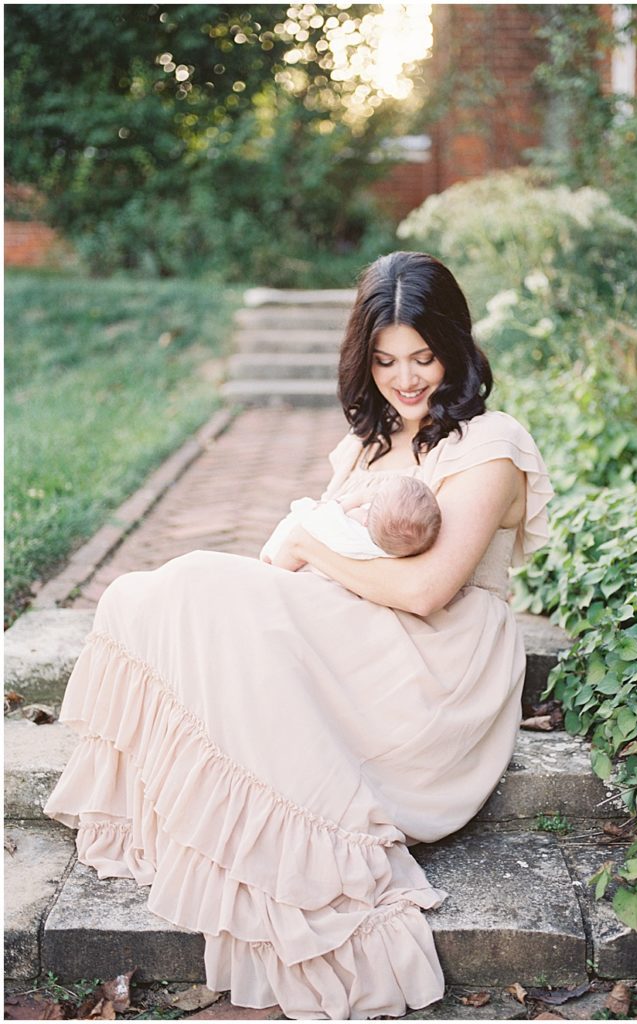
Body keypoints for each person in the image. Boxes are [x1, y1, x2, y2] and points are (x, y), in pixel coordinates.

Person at [44, 251, 555, 1020]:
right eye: (384, 360)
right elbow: (301, 552)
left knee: (196, 581)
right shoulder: (369, 445)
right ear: (363, 357)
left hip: (432, 662)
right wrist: (300, 556)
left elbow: (423, 590)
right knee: (142, 597)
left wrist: (308, 547)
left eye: (423, 356)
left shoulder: (488, 444)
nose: (405, 378)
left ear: (456, 344)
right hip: (350, 627)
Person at [260, 475, 442, 566]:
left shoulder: (357, 523)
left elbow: (327, 515)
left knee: (302, 518)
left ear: (366, 520)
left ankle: (274, 562)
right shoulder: (392, 549)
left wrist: (358, 498)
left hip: (299, 552)